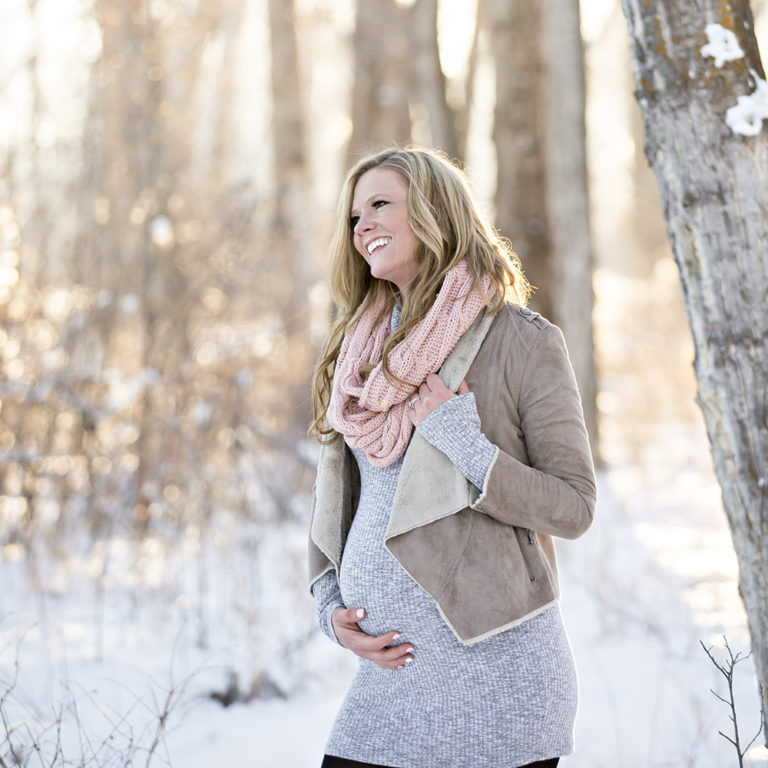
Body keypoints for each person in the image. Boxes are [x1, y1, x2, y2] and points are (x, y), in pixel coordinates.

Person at [307, 146, 596, 768]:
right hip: (390, 684)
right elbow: (340, 503)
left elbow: (573, 509)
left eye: (380, 205)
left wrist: (463, 440)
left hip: (499, 684)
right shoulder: (357, 353)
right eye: (354, 217)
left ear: (435, 209)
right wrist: (329, 608)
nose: (362, 229)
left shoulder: (522, 341)